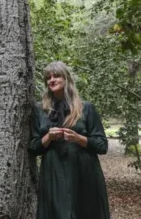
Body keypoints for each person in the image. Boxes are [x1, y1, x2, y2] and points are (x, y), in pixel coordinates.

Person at [29, 61, 111, 219]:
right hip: (53, 173)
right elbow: (33, 148)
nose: (52, 80)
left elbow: (102, 146)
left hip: (83, 172)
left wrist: (78, 138)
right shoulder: (40, 110)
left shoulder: (86, 108)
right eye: (48, 77)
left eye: (57, 76)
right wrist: (48, 137)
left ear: (66, 79)